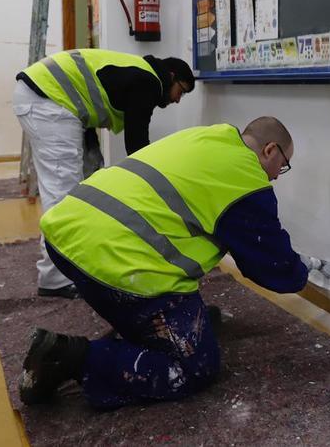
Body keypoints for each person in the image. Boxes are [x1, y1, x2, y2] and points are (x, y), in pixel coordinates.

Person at [18, 117, 328, 409]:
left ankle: (163, 327)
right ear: (269, 150)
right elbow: (271, 266)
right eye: (282, 166)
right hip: (112, 260)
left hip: (66, 234)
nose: (276, 176)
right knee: (194, 368)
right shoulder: (247, 179)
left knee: (193, 323)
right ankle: (68, 358)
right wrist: (299, 273)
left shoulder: (205, 137)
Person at [13, 49, 195, 298]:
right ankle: (54, 279)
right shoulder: (149, 81)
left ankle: (78, 261)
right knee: (63, 192)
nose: (178, 100)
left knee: (83, 187)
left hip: (50, 98)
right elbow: (137, 146)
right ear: (171, 76)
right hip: (49, 100)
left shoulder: (139, 73)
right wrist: (157, 185)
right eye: (181, 91)